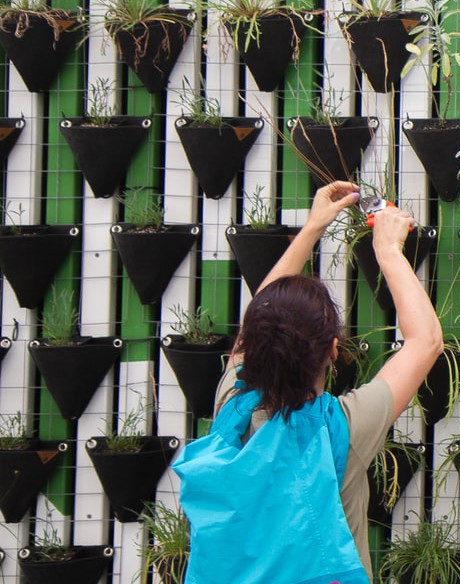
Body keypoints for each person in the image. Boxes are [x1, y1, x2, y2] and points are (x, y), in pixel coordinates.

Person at [173, 182, 442, 583]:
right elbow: (426, 341)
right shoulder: (340, 430)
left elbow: (258, 317)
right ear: (333, 349)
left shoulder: (233, 404)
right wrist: (388, 249)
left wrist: (313, 227)